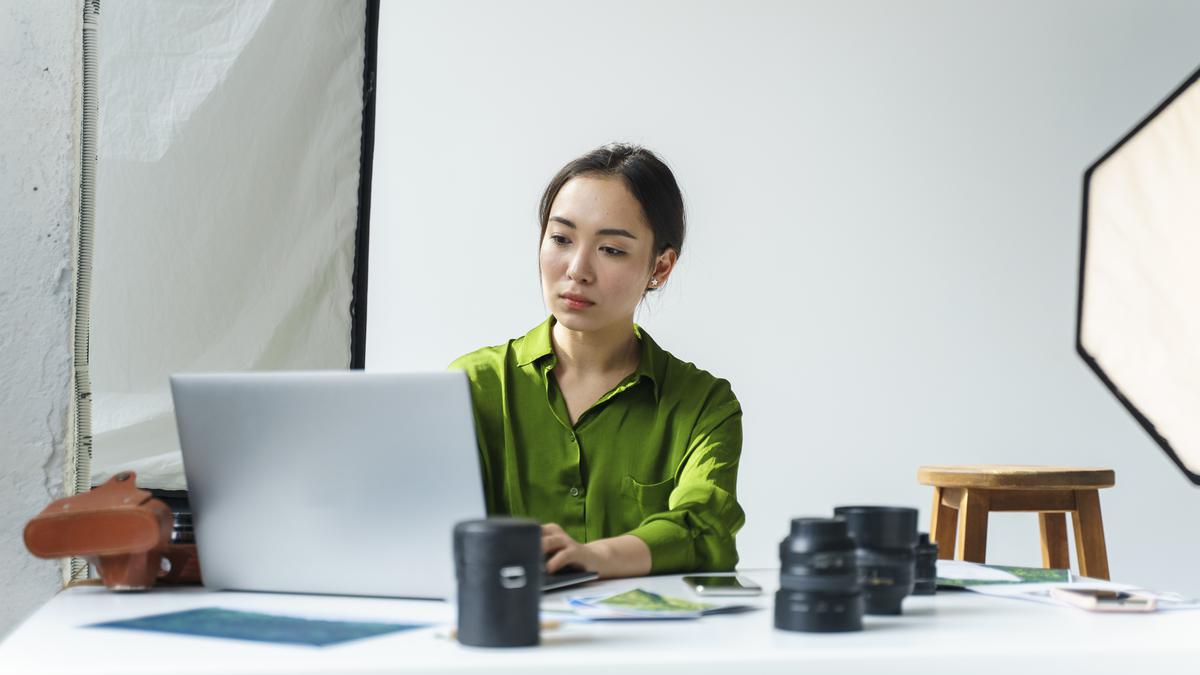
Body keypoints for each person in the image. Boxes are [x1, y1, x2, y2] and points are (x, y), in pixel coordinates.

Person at [449, 143, 744, 579]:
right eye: (561, 239)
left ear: (660, 268)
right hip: (503, 634)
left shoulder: (703, 405)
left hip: (648, 643)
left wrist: (595, 558)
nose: (577, 269)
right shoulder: (472, 385)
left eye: (611, 249)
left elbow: (706, 528)